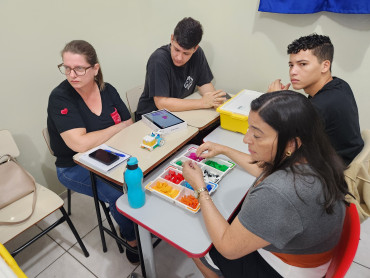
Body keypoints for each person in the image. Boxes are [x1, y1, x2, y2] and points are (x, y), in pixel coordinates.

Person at [182, 91, 348, 278]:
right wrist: (223, 149)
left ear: (291, 144)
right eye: (249, 128)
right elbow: (263, 168)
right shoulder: (314, 156)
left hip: (284, 269)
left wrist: (200, 188)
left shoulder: (280, 192)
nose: (246, 139)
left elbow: (228, 248)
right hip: (309, 251)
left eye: (257, 135)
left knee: (197, 242)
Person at [47, 40, 139, 264]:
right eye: (66, 68)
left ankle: (144, 221)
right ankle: (132, 239)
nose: (72, 74)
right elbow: (79, 145)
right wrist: (116, 128)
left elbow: (130, 122)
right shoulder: (60, 97)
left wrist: (104, 135)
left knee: (141, 175)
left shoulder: (108, 90)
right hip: (73, 166)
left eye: (79, 68)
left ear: (95, 69)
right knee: (118, 194)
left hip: (109, 154)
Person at [267, 34, 363, 165]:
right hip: (343, 161)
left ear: (325, 66)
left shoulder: (321, 105)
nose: (293, 71)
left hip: (332, 175)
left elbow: (278, 141)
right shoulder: (339, 85)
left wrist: (272, 102)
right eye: (291, 65)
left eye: (303, 64)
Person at [135, 17, 227, 121]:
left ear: (195, 48)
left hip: (179, 112)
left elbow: (204, 84)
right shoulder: (158, 60)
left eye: (186, 53)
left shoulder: (198, 53)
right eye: (176, 49)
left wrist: (216, 103)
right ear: (172, 38)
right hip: (151, 116)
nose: (179, 57)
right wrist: (202, 102)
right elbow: (161, 103)